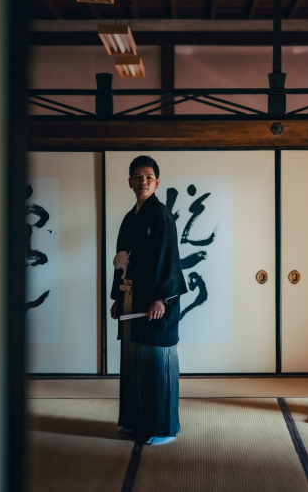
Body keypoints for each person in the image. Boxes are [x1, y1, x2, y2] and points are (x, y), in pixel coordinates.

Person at [110, 155, 188, 445]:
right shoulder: (130, 218)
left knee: (157, 362)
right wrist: (118, 297)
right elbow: (122, 261)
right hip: (132, 299)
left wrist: (162, 299)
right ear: (129, 181)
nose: (143, 181)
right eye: (137, 176)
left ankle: (162, 428)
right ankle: (134, 420)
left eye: (148, 177)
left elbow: (170, 261)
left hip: (156, 302)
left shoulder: (161, 215)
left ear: (157, 182)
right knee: (133, 361)